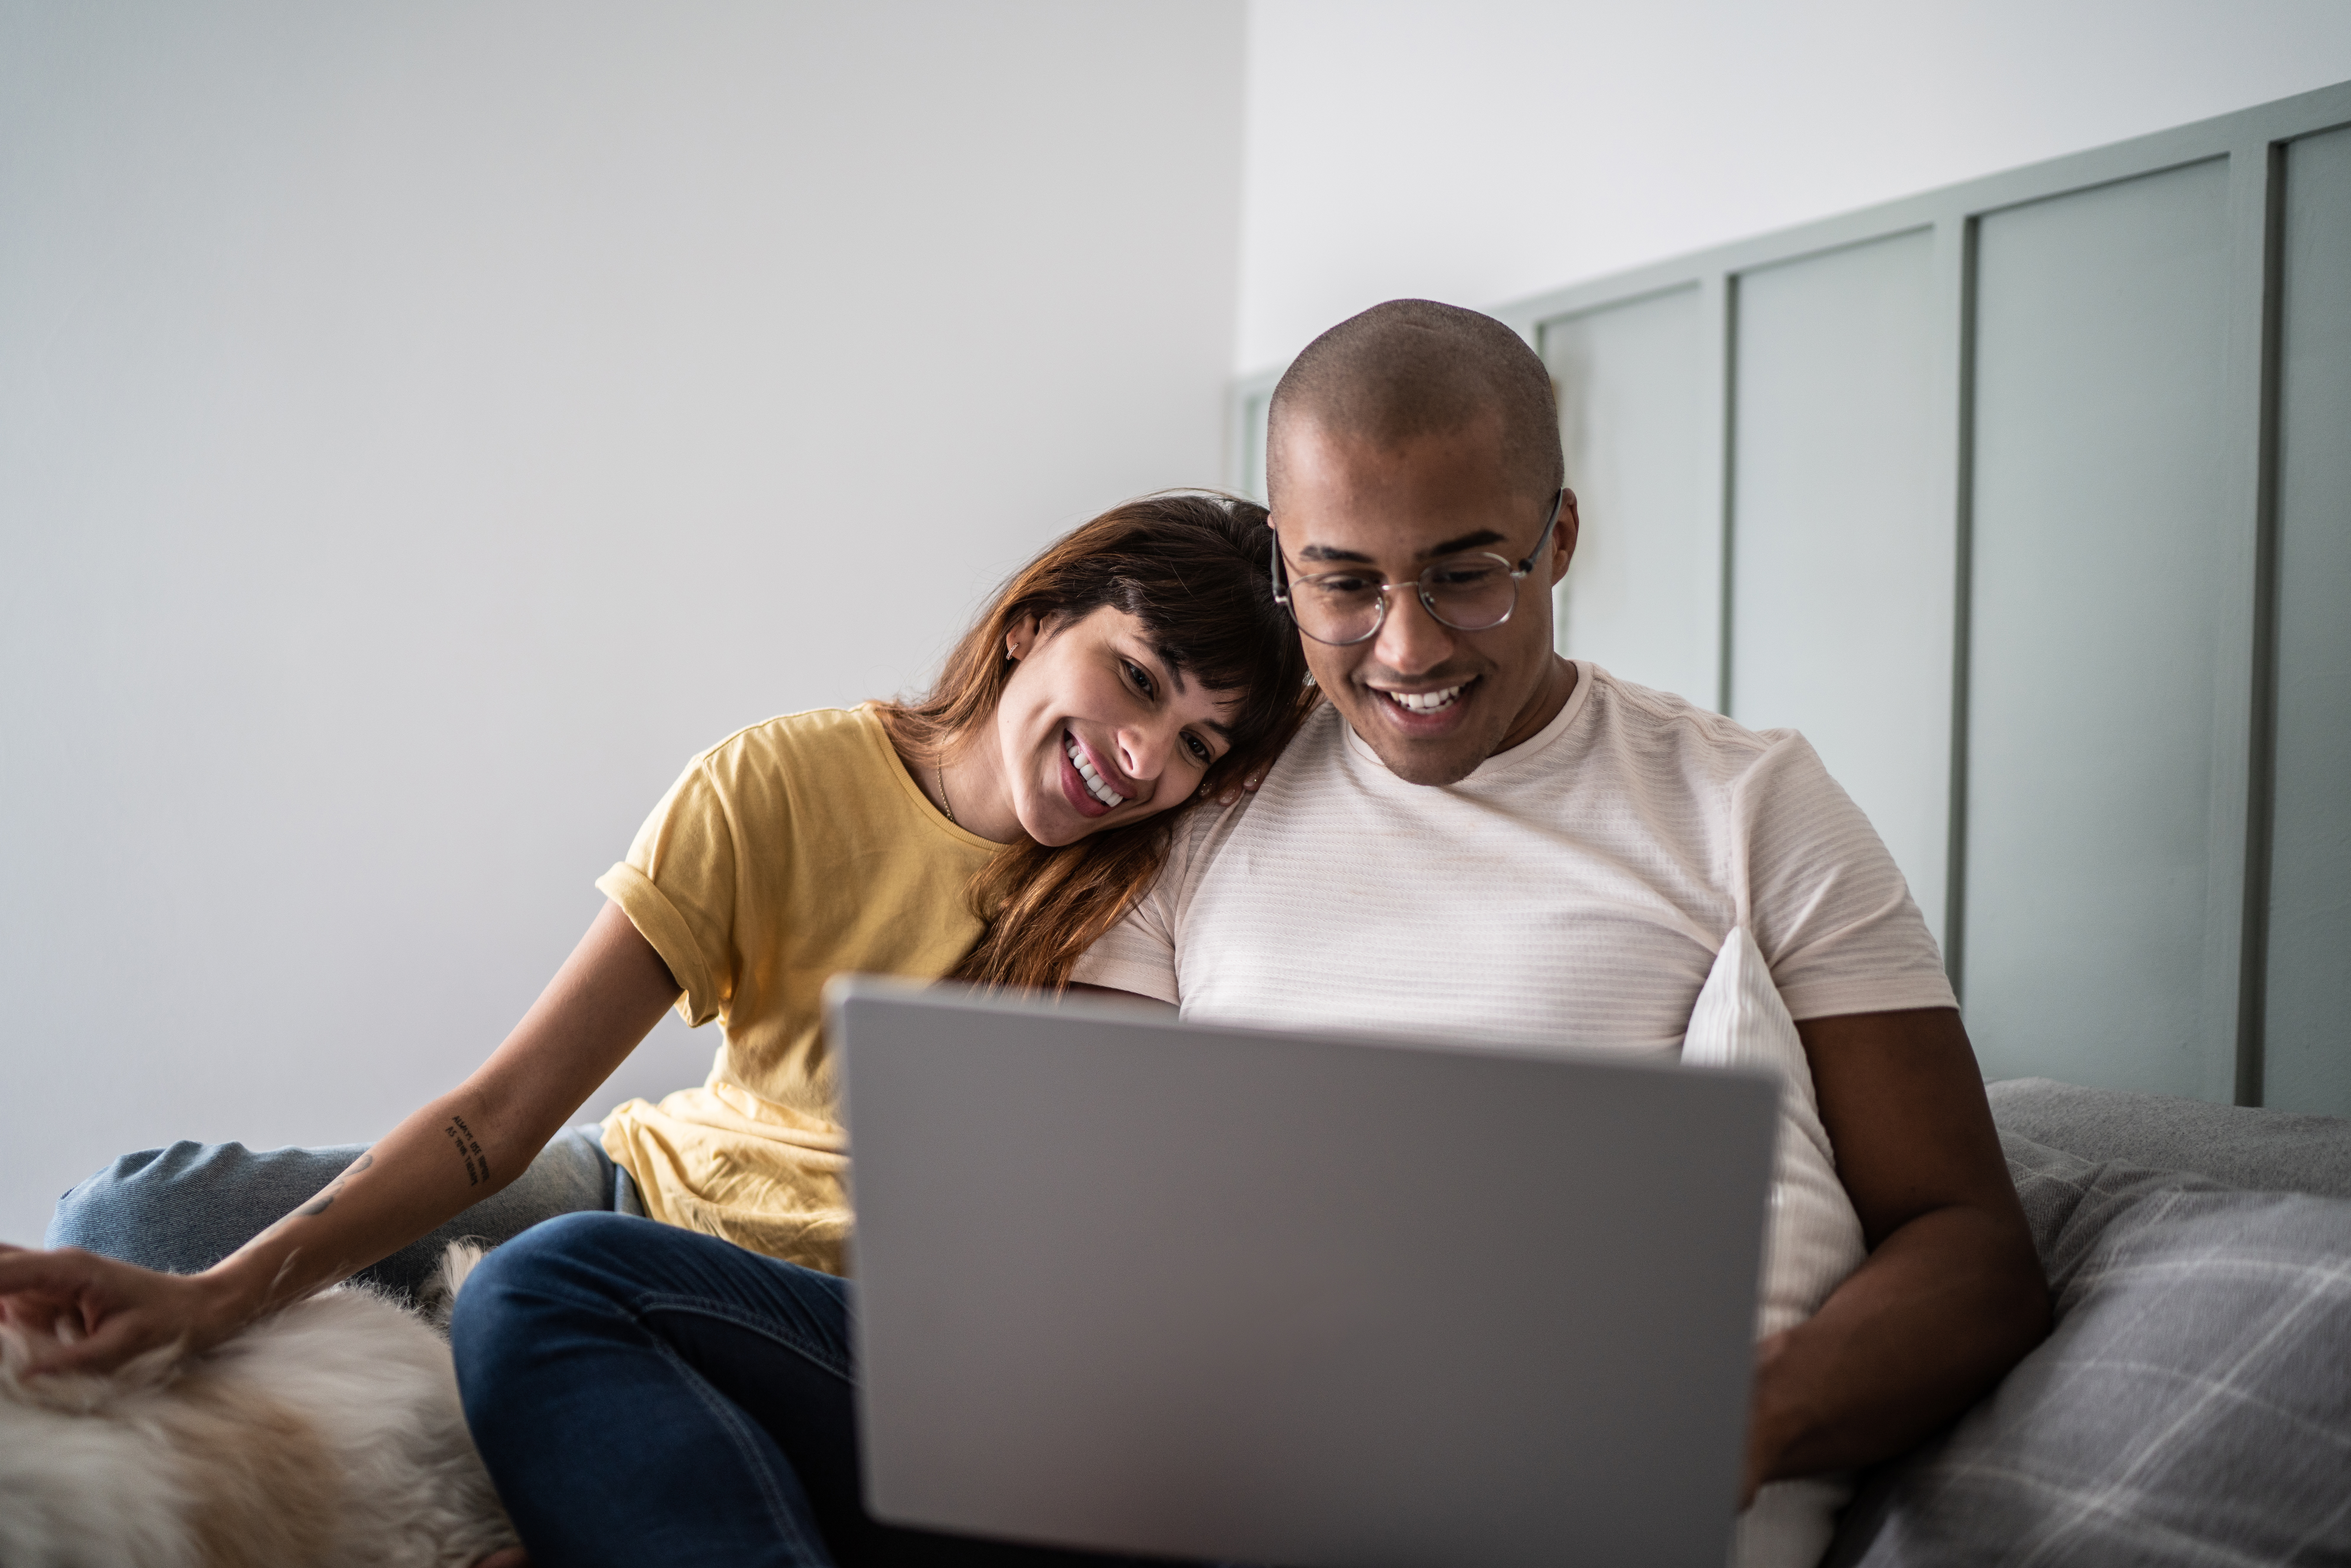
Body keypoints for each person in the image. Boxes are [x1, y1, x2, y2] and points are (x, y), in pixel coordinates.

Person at [450, 300, 2051, 1568]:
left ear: (1558, 537)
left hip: (1481, 1473)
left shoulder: (1746, 805)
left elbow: (1968, 1246)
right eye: (1342, 586)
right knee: (554, 1288)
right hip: (1150, 1451)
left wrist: (1738, 1416)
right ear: (1285, 570)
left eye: (1467, 576)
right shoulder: (1210, 795)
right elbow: (1065, 1213)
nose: (1406, 650)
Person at [0, 491, 1310, 1410]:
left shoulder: (1138, 898)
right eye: (1138, 678)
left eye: (1197, 745)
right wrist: (219, 1298)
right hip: (632, 1187)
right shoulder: (774, 781)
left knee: (543, 1323)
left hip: (806, 1310)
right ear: (1034, 620)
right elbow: (503, 1113)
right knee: (129, 1217)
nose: (1142, 758)